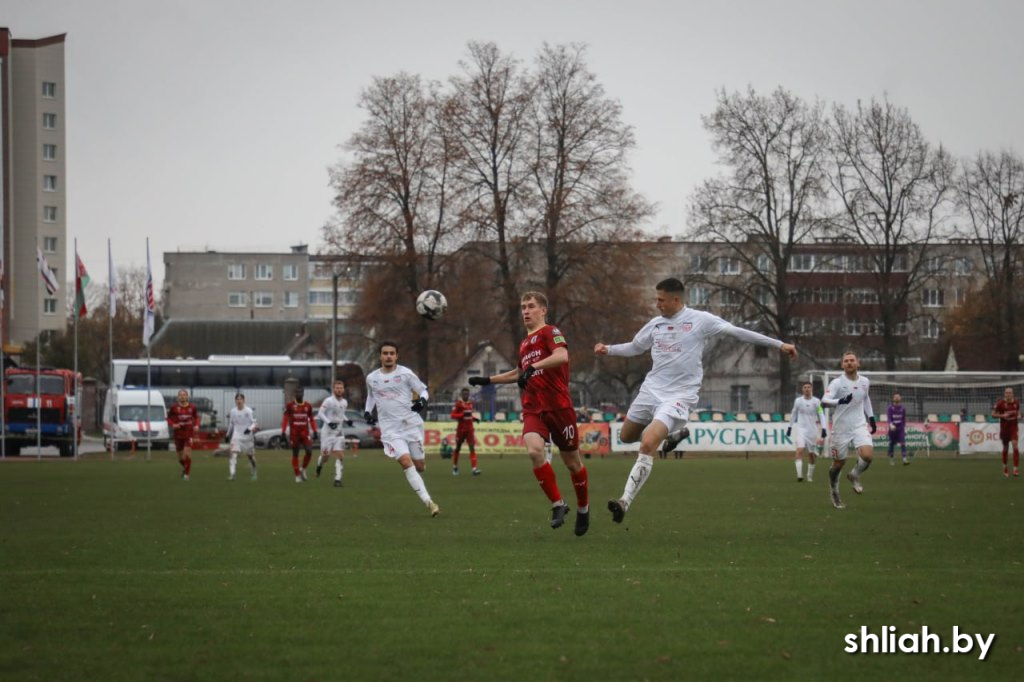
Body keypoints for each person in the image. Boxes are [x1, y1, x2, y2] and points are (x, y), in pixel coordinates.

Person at [594, 278, 797, 524]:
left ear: (676, 300)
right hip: (651, 389)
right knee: (625, 436)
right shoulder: (655, 325)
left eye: (661, 299)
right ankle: (671, 436)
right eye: (656, 299)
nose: (657, 304)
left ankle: (624, 501)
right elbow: (635, 347)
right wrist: (609, 349)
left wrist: (779, 345)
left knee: (647, 444)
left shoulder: (700, 320)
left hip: (679, 395)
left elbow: (738, 332)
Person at [470, 291, 591, 536]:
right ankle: (558, 504)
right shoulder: (524, 343)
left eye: (531, 306)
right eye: (523, 307)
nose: (525, 311)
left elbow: (562, 356)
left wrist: (533, 367)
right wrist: (488, 380)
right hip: (533, 408)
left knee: (572, 463)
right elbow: (518, 372)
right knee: (535, 451)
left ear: (543, 310)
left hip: (558, 406)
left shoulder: (550, 332)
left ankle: (583, 508)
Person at [364, 341, 440, 517]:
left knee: (419, 466)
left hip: (411, 424)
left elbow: (423, 391)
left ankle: (420, 468)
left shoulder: (405, 374)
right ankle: (429, 502)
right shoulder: (372, 378)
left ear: (397, 356)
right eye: (385, 353)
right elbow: (370, 397)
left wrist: (421, 401)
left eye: (392, 353)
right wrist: (368, 411)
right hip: (391, 430)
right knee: (406, 462)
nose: (388, 356)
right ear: (380, 356)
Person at [819, 351, 876, 509]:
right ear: (842, 365)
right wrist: (840, 401)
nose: (849, 363)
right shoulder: (837, 383)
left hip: (859, 425)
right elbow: (824, 402)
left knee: (868, 455)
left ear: (858, 363)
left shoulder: (865, 381)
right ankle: (834, 491)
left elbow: (865, 398)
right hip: (841, 429)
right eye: (846, 361)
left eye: (852, 360)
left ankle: (854, 475)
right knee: (838, 464)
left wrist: (871, 418)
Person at [787, 381, 827, 482]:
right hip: (801, 429)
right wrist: (789, 427)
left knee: (811, 455)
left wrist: (824, 428)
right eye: (805, 387)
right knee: (799, 450)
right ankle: (799, 475)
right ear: (802, 389)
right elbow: (794, 413)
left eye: (809, 387)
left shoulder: (816, 402)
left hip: (812, 431)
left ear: (812, 389)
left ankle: (809, 476)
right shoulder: (798, 401)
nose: (807, 389)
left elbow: (821, 415)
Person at [316, 380, 352, 487]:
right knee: (326, 456)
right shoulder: (328, 401)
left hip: (339, 433)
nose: (339, 390)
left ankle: (337, 479)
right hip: (327, 432)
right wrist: (329, 423)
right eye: (337, 388)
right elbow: (320, 413)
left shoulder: (345, 402)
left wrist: (347, 420)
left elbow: (341, 414)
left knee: (340, 455)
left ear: (343, 389)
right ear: (333, 389)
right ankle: (319, 464)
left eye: (341, 388)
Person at [282, 386, 318, 483]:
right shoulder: (290, 406)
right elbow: (285, 418)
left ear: (303, 394)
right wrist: (283, 431)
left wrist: (315, 430)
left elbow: (312, 419)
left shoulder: (308, 406)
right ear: (295, 394)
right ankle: (297, 475)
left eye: (300, 392)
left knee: (309, 451)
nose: (299, 394)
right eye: (297, 392)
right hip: (294, 434)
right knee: (295, 454)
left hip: (305, 433)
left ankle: (303, 469)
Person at [167, 389, 199, 480]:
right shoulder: (174, 408)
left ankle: (186, 475)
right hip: (178, 434)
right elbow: (168, 418)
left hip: (188, 433)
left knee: (187, 454)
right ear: (178, 397)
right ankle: (185, 468)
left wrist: (196, 425)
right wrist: (173, 424)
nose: (182, 396)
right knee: (180, 458)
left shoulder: (192, 407)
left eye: (184, 395)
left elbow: (196, 417)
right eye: (180, 395)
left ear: (187, 396)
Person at [225, 392, 258, 481]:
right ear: (235, 401)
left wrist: (249, 429)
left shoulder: (248, 411)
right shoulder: (233, 411)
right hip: (236, 435)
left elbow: (254, 423)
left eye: (240, 399)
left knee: (250, 456)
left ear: (244, 400)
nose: (239, 401)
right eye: (237, 399)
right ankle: (232, 474)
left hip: (247, 437)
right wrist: (227, 434)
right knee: (233, 454)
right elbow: (231, 424)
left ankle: (254, 469)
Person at [450, 387, 481, 476]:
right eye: (464, 394)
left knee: (472, 448)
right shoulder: (458, 404)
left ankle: (474, 469)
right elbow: (453, 415)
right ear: (461, 394)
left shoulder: (470, 403)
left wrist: (474, 419)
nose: (466, 395)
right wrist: (462, 414)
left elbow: (469, 415)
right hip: (461, 429)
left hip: (469, 430)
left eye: (467, 394)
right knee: (458, 448)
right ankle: (455, 467)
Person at [992, 387, 1021, 478]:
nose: (1008, 394)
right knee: (1005, 448)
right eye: (1007, 392)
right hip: (1004, 430)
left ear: (1012, 394)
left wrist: (1019, 415)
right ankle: (1005, 467)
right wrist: (1002, 415)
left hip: (1013, 428)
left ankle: (1015, 468)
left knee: (1015, 445)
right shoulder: (1000, 403)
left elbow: (1018, 412)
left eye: (1010, 392)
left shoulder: (1016, 402)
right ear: (1004, 394)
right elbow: (993, 414)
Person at [887, 393, 909, 466]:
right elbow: (889, 418)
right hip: (892, 429)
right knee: (891, 444)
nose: (897, 398)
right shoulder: (890, 408)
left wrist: (904, 428)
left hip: (900, 429)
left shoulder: (903, 408)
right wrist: (891, 424)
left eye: (898, 396)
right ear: (893, 398)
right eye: (895, 397)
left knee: (903, 443)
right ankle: (891, 459)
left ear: (900, 398)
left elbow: (903, 419)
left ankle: (904, 459)